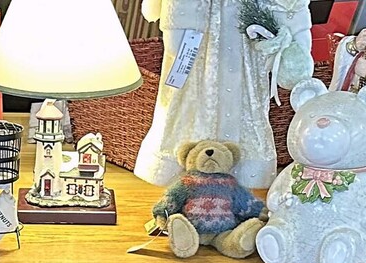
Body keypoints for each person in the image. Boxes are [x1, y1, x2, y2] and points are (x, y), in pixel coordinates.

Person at [134, 0, 313, 190]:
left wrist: (294, 26)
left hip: (246, 31)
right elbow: (176, 45)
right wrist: (179, 14)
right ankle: (188, 165)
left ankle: (243, 169)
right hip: (199, 31)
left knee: (242, 100)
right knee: (189, 97)